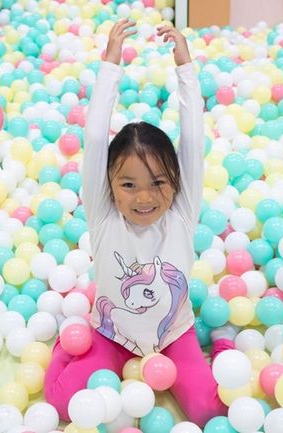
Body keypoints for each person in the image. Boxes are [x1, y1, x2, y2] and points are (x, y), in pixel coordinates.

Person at [44, 19, 235, 427]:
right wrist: (110, 66)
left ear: (176, 183)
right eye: (129, 184)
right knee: (59, 405)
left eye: (157, 183)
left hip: (173, 334)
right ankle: (68, 343)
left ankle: (221, 343)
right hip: (113, 335)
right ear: (110, 185)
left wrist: (186, 68)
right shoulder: (103, 212)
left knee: (209, 412)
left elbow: (193, 138)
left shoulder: (182, 211)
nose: (144, 197)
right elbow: (95, 139)